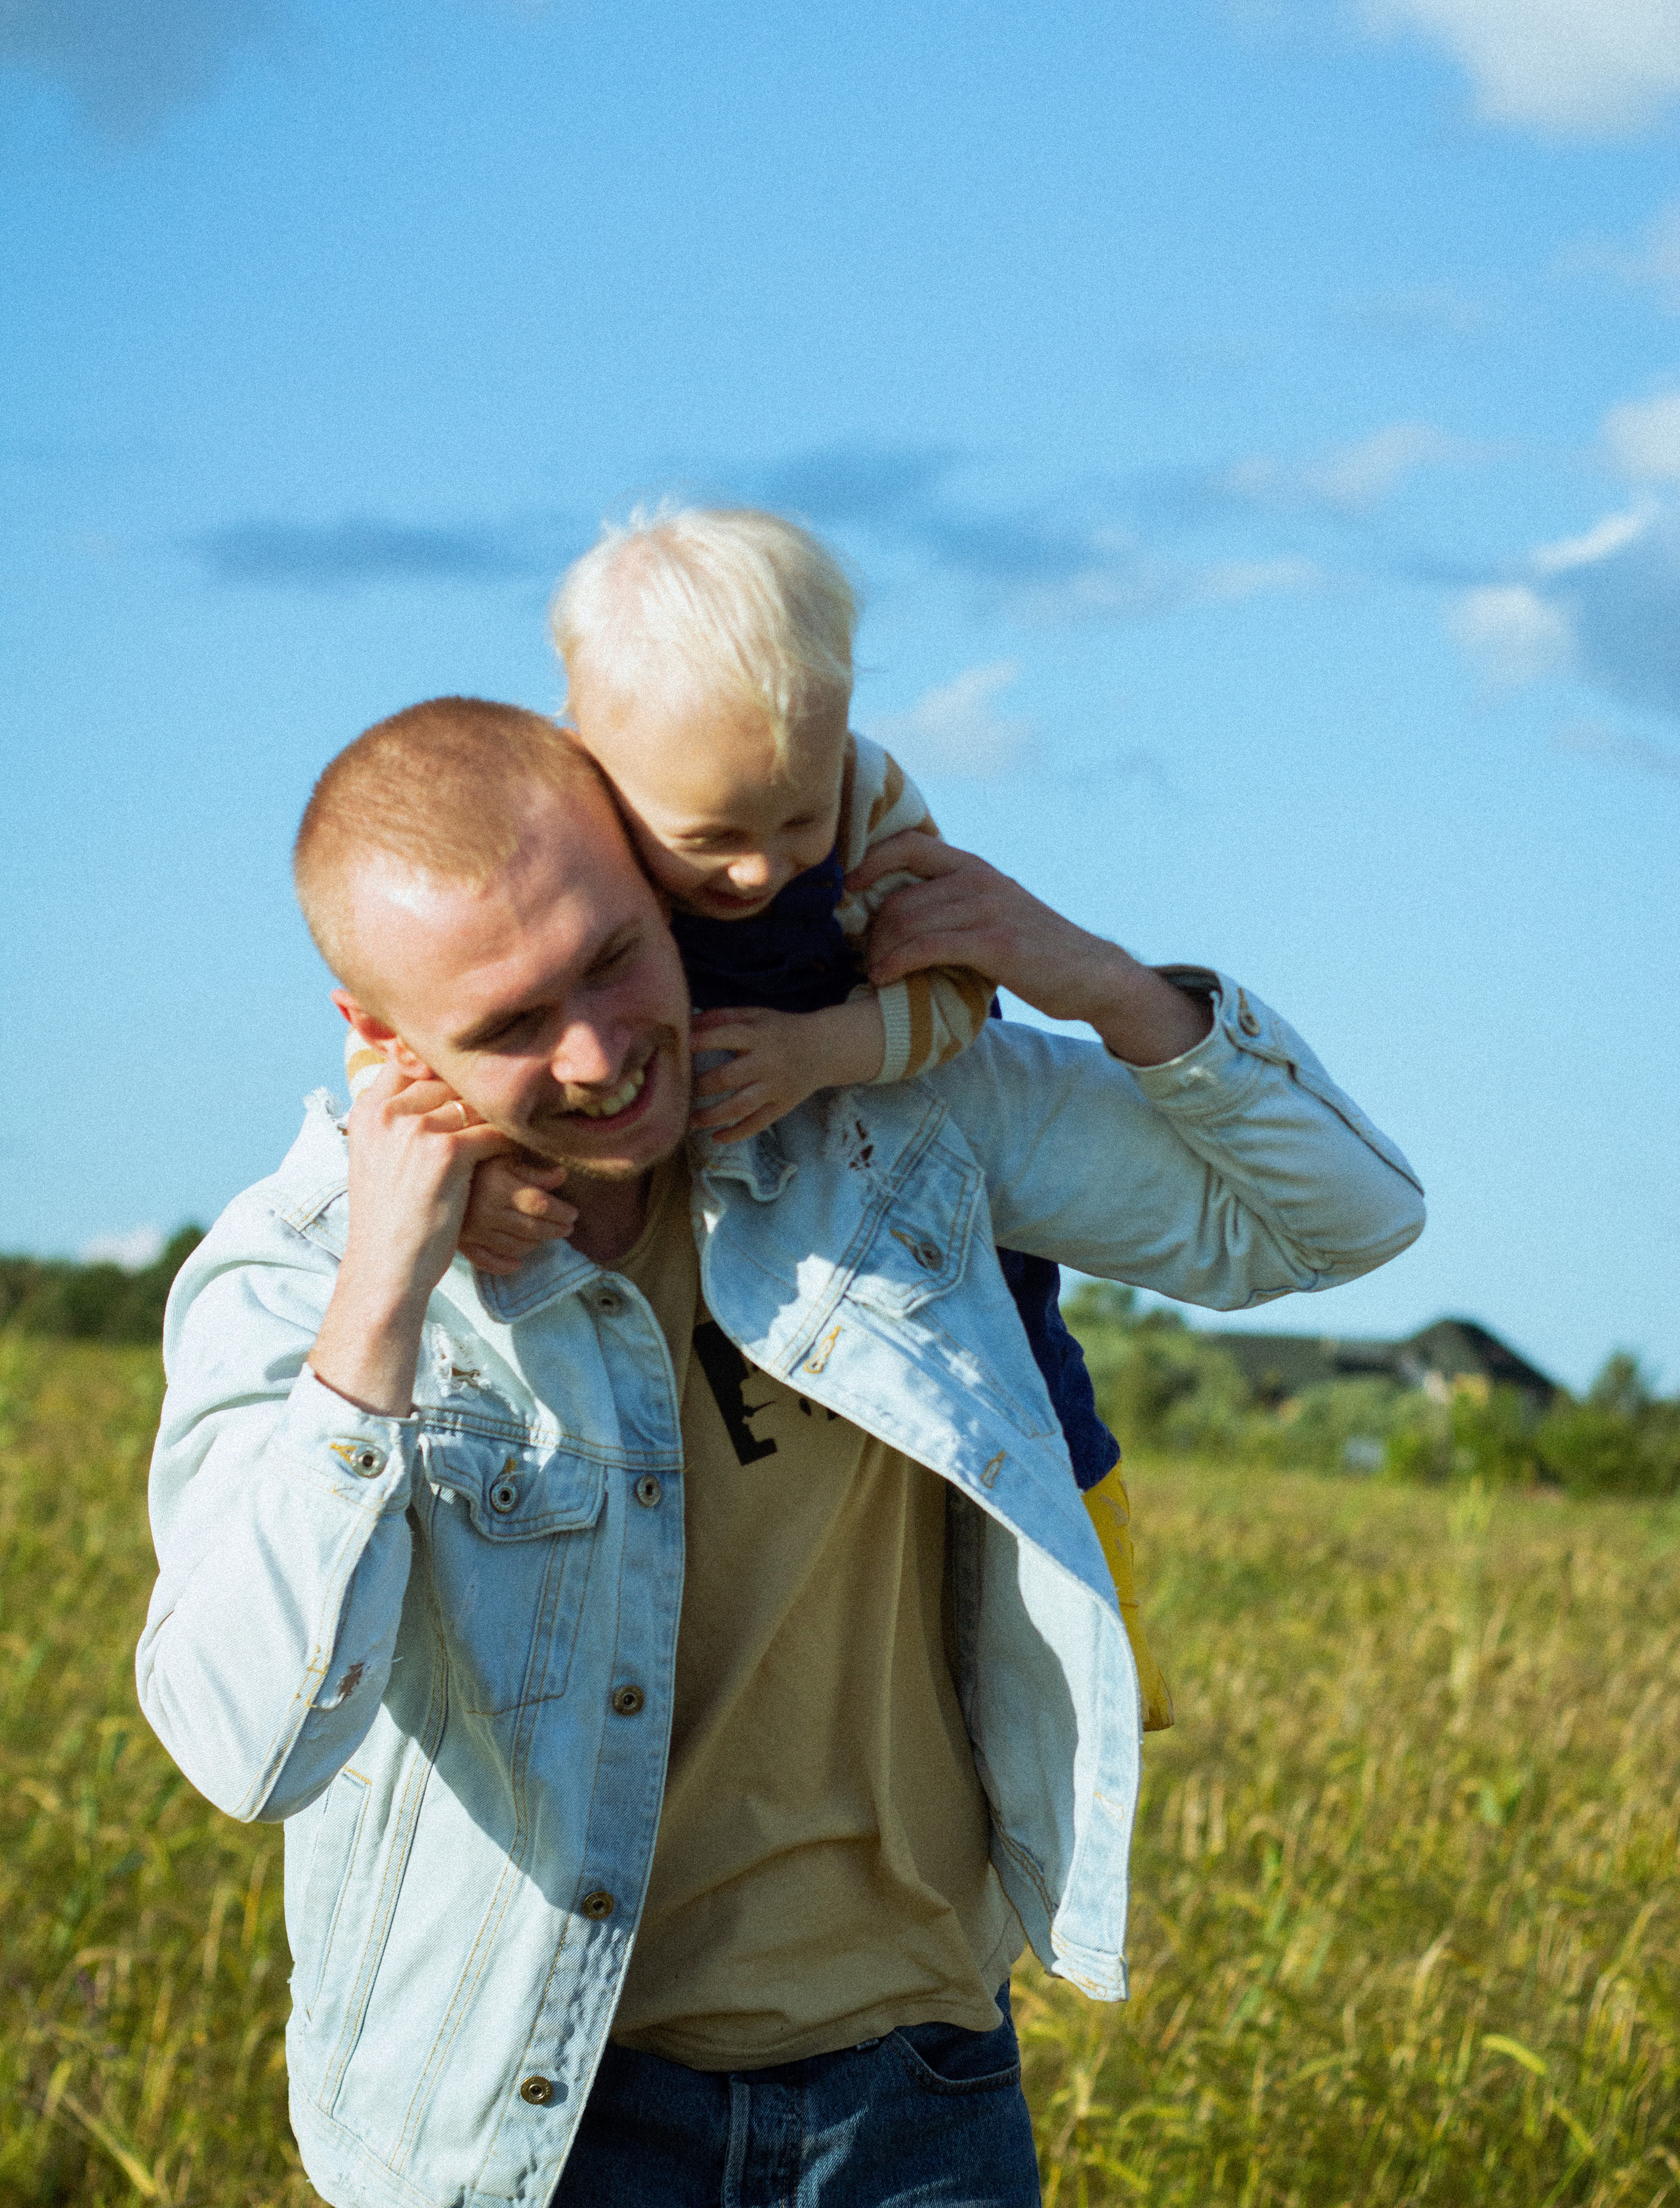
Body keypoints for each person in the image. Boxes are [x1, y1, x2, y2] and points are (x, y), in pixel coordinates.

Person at [137, 697, 1424, 2208]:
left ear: (661, 885)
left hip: (914, 2096)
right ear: (379, 1038)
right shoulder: (300, 1276)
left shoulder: (873, 1115)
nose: (598, 1054)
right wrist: (381, 1304)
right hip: (532, 2131)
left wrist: (1085, 975)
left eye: (614, 957)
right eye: (507, 1027)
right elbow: (251, 1752)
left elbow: (1335, 1219)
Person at [349, 505, 1173, 1727]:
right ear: (592, 759)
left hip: (873, 1163)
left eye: (798, 819)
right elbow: (414, 1019)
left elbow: (958, 994)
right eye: (712, 839)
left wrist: (822, 1049)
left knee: (1026, 1383)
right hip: (663, 1216)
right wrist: (472, 1169)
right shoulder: (539, 824)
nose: (766, 869)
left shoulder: (871, 798)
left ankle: (1087, 1673)